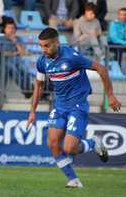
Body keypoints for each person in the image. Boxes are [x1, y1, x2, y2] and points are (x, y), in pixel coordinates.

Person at [26, 27, 121, 188]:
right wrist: (32, 111)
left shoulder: (71, 57)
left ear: (57, 43)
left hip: (78, 105)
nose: (44, 49)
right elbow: (39, 86)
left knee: (69, 148)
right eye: (41, 46)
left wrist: (110, 96)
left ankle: (92, 143)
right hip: (59, 106)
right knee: (53, 144)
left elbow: (101, 68)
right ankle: (73, 180)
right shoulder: (42, 62)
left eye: (47, 46)